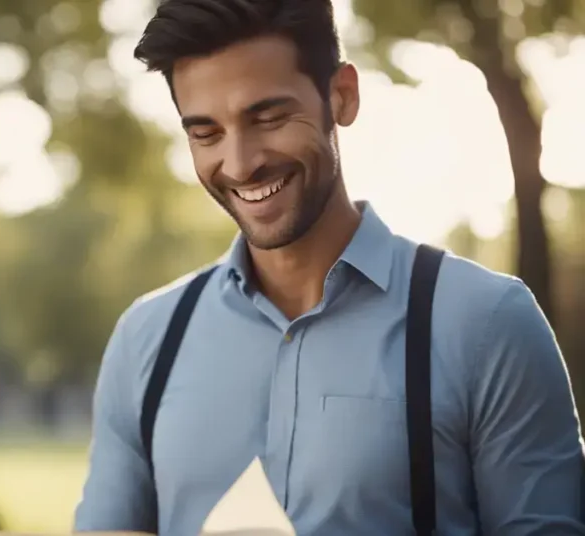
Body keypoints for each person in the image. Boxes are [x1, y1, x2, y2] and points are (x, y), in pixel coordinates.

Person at [73, 1, 585, 535]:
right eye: (206, 134)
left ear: (341, 95)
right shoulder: (146, 339)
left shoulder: (486, 324)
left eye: (268, 117)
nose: (241, 162)